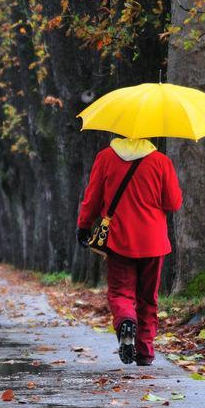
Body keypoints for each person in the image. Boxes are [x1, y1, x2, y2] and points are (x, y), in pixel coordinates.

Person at [76, 137, 182, 366]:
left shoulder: (105, 157)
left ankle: (126, 321)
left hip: (119, 238)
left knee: (121, 292)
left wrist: (84, 225)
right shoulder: (161, 161)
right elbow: (173, 203)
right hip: (153, 240)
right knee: (148, 297)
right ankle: (145, 351)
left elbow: (93, 197)